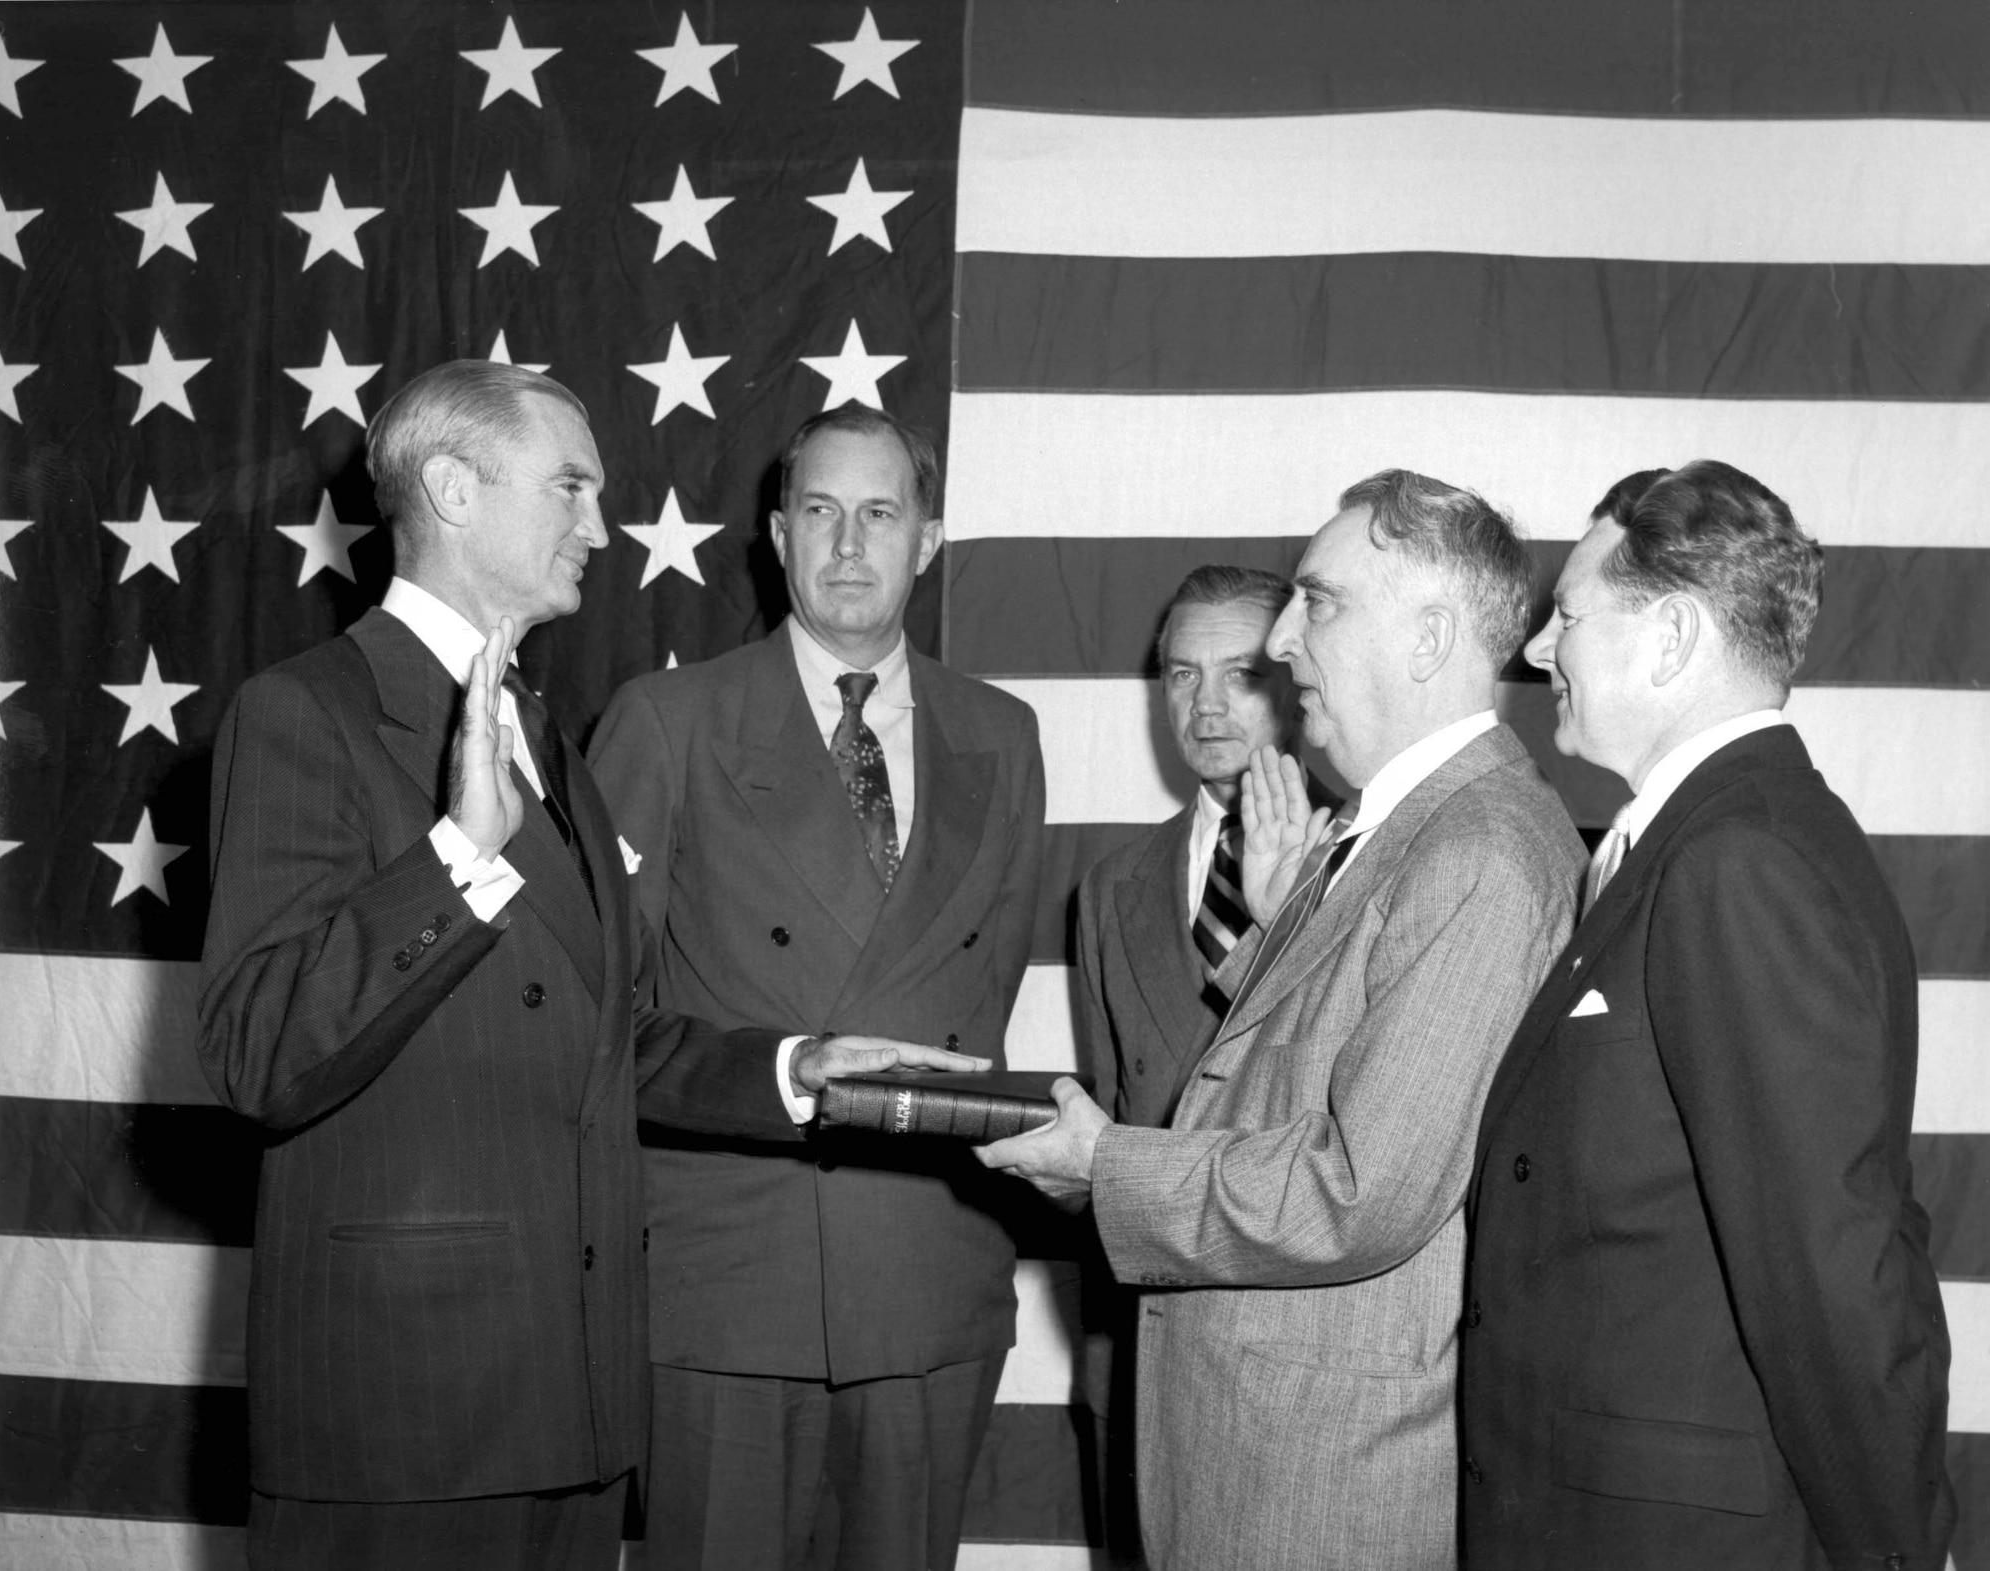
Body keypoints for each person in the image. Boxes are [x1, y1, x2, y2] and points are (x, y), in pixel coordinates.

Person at [198, 362, 974, 1570]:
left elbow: (606, 1031)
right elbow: (258, 1049)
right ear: (453, 490)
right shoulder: (309, 711)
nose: (599, 526)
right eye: (570, 486)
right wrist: (457, 856)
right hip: (405, 1412)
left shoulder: (539, 727)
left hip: (568, 1395)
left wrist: (793, 1069)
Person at [979, 470, 1584, 1570]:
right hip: (1262, 1451)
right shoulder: (1391, 831)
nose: (1286, 641)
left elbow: (1361, 1188)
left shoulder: (1479, 848)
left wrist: (1107, 1163)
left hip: (1325, 1476)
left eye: (1320, 601)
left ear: (1428, 636)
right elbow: (1312, 1066)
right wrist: (1270, 934)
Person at [1460, 461, 1955, 1571]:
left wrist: (1895, 1551)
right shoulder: (1695, 841)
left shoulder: (1738, 861)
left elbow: (1827, 1265)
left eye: (1568, 616)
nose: (1537, 651)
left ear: (1671, 637)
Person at [587, 402, 1047, 1571]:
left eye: (880, 513)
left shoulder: (1003, 733)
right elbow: (600, 1023)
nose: (849, 544)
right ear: (775, 535)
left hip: (927, 1272)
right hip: (730, 1277)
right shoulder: (666, 721)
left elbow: (978, 1003)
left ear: (927, 540)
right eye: (820, 512)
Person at [1074, 565, 1313, 1127]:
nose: (1206, 704)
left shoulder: (1364, 852)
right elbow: (1107, 1132)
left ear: (1300, 684)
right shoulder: (1110, 889)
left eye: (1240, 674)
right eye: (1185, 674)